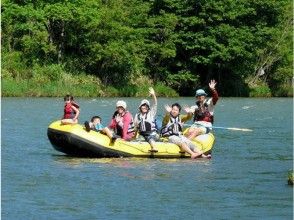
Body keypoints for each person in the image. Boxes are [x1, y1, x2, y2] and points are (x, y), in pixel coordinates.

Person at [134, 87, 159, 152]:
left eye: (146, 106)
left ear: (148, 107)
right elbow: (136, 128)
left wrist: (153, 95)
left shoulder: (151, 113)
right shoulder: (137, 116)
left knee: (149, 138)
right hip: (142, 134)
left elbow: (155, 104)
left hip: (152, 134)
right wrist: (134, 137)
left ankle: (154, 147)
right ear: (140, 107)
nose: (144, 107)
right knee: (138, 140)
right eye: (143, 105)